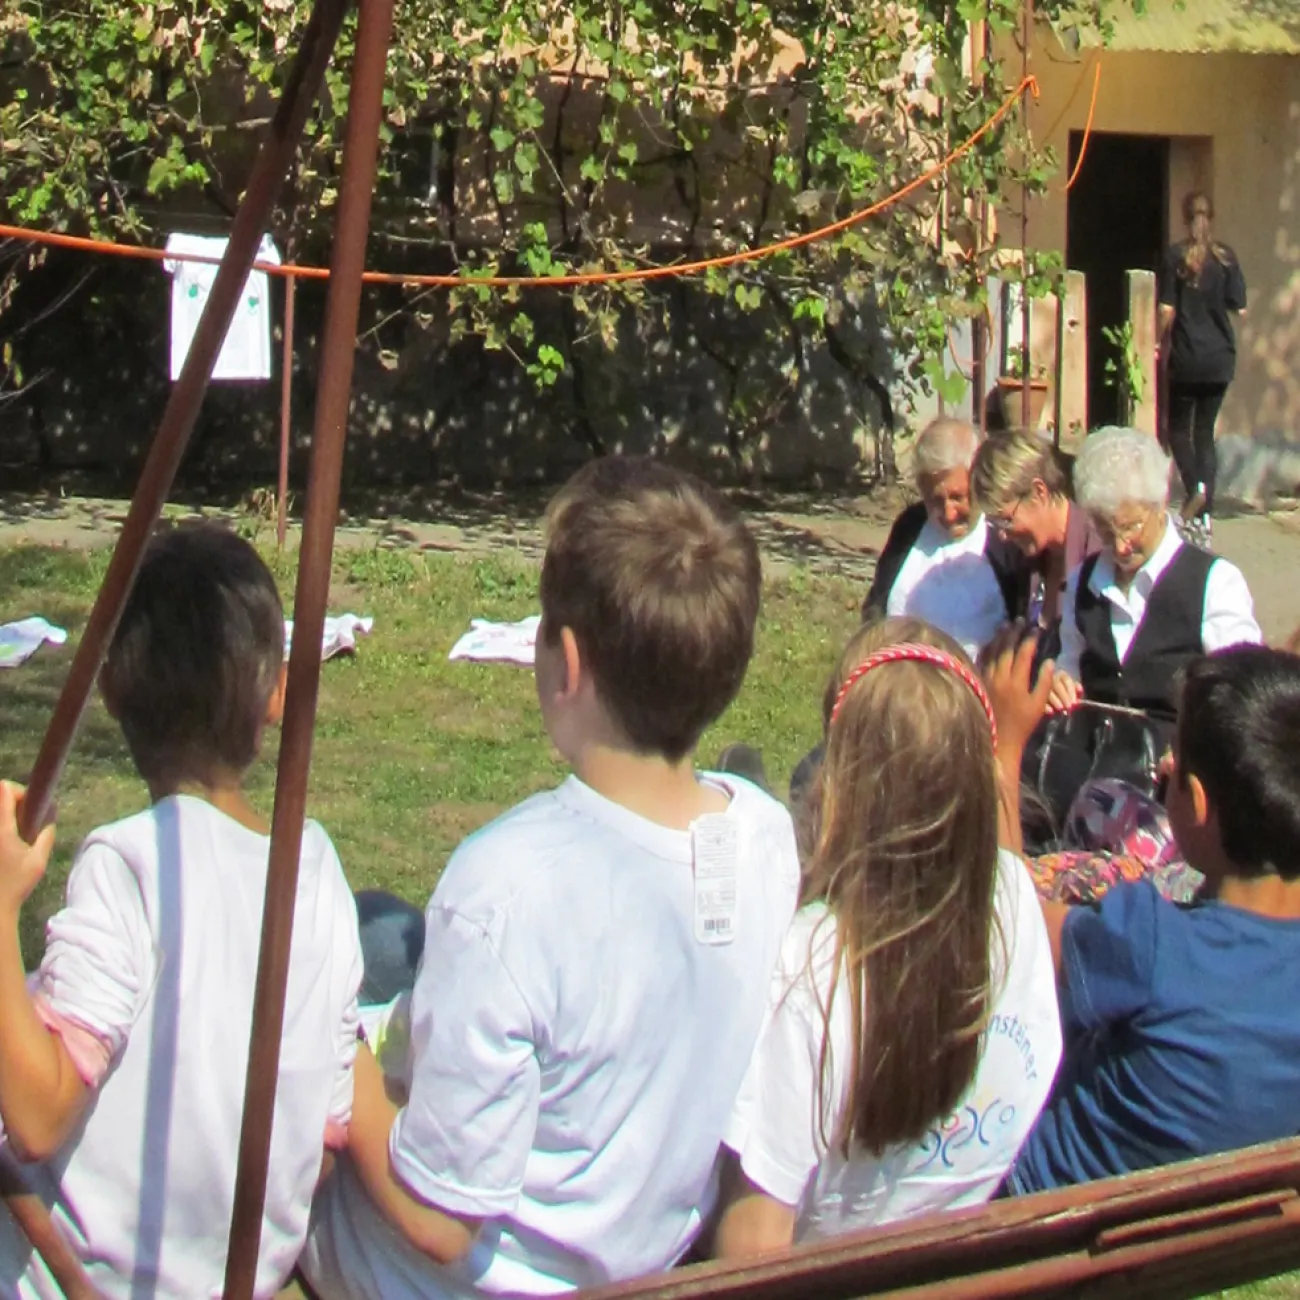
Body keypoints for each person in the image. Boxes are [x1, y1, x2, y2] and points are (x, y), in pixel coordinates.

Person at [302, 456, 802, 1298]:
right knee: (378, 932)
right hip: (638, 1252)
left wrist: (342, 1059)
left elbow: (439, 1221)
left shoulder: (507, 888)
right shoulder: (763, 835)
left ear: (566, 663)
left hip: (458, 1276)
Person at [0, 525, 363, 1298]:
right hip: (233, 1275)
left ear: (110, 691)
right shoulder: (317, 871)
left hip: (77, 1276)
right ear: (278, 694)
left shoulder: (131, 865)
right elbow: (326, 1133)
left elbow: (35, 1116)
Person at [712, 618, 1061, 1254]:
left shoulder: (817, 966)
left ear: (836, 790)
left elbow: (752, 1247)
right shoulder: (1014, 900)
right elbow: (1002, 851)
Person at [1002, 644, 1300, 1191]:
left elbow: (1006, 916)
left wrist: (1002, 748)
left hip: (1024, 1209)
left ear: (1198, 802)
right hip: (1159, 1252)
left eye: (1175, 760)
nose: (1161, 764)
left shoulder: (1152, 945)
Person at [1049, 426, 1261, 724]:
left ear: (1160, 503)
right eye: (1106, 532)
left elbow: (1241, 692)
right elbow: (1068, 661)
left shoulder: (1215, 583)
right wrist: (1063, 681)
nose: (1121, 547)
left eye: (1131, 526)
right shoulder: (1081, 582)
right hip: (1095, 757)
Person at [863, 417, 1023, 660]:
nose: (948, 513)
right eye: (935, 500)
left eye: (958, 497)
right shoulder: (910, 527)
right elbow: (876, 606)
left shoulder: (1004, 537)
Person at [1159, 191, 1247, 549]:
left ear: (1185, 217)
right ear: (1211, 216)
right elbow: (1240, 307)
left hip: (1187, 357)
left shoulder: (1174, 257)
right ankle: (1205, 516)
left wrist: (1154, 339)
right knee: (1205, 433)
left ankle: (1195, 488)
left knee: (1178, 429)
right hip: (1220, 357)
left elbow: (1167, 309)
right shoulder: (1226, 258)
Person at [970, 429, 1102, 631]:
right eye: (994, 523)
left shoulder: (1096, 550)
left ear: (1039, 492)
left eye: (1006, 520)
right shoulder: (1028, 560)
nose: (1003, 536)